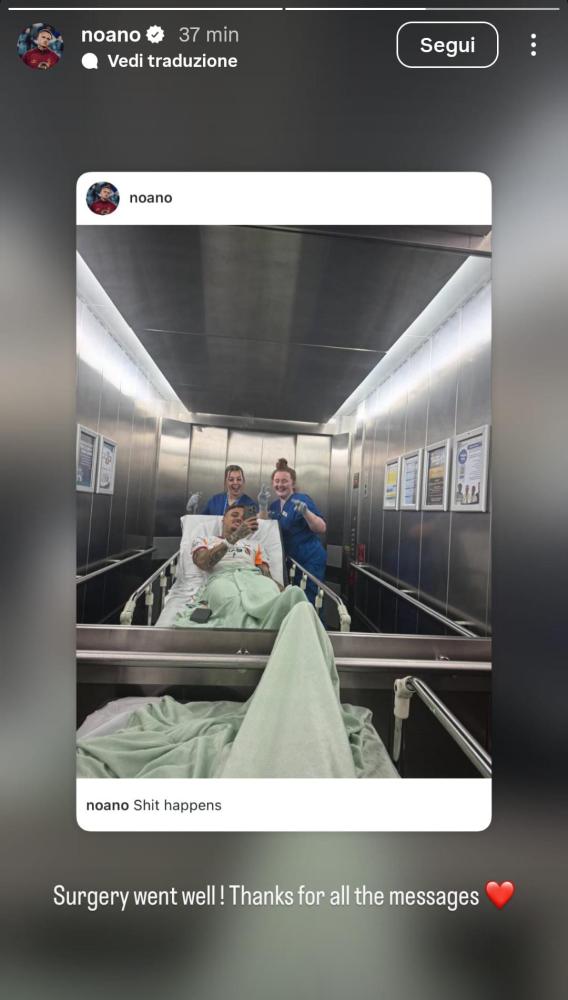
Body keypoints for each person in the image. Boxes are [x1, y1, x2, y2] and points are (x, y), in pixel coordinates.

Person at [263, 458, 327, 605]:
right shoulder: (274, 506)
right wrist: (262, 508)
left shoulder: (301, 500)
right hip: (289, 562)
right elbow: (264, 528)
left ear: (293, 483)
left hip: (309, 561)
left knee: (310, 601)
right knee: (294, 600)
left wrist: (306, 513)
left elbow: (321, 528)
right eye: (277, 481)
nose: (280, 485)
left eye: (284, 481)